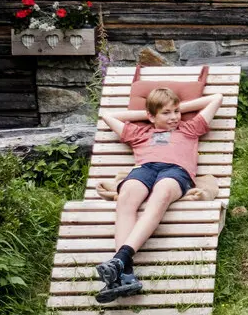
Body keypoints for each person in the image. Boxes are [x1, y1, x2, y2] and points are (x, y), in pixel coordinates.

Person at [96, 88, 224, 303]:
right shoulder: (140, 133)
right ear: (151, 116)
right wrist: (151, 114)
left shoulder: (189, 128)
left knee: (162, 192)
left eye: (176, 111)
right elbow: (108, 116)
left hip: (175, 171)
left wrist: (167, 110)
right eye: (167, 113)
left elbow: (216, 98)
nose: (174, 117)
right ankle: (125, 274)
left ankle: (120, 260)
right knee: (127, 195)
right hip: (144, 169)